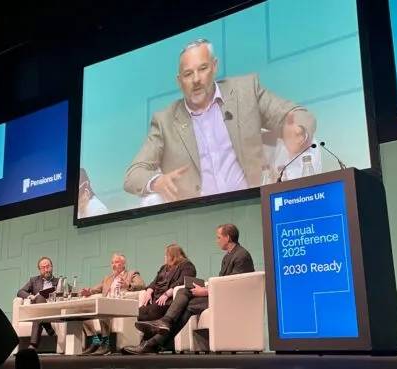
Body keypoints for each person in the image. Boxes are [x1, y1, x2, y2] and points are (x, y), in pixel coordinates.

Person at [124, 38, 316, 202]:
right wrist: (157, 182)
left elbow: (296, 114)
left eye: (203, 68)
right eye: (188, 74)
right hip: (201, 218)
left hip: (253, 204)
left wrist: (298, 131)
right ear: (179, 81)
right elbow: (133, 175)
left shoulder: (245, 92)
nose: (196, 79)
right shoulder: (164, 121)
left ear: (214, 67)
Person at [123, 224, 255, 354]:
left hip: (230, 300)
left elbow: (233, 285)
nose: (217, 240)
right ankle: (154, 342)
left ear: (227, 237)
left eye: (218, 237)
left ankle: (159, 332)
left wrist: (206, 291)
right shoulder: (229, 255)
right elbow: (223, 281)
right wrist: (205, 287)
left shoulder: (241, 255)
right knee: (186, 302)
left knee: (184, 295)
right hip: (220, 295)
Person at [78, 253, 145, 355]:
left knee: (104, 309)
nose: (114, 265)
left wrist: (128, 285)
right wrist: (89, 291)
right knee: (84, 312)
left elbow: (142, 285)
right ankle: (95, 341)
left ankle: (106, 344)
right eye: (112, 262)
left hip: (121, 305)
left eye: (117, 262)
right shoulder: (108, 278)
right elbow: (97, 288)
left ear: (123, 264)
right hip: (108, 304)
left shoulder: (132, 274)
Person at [137, 244, 197, 344]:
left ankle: (149, 341)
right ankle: (148, 340)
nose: (164, 257)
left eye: (166, 255)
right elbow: (154, 281)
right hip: (156, 298)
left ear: (173, 255)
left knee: (153, 311)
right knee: (140, 312)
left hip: (170, 299)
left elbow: (185, 281)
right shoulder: (163, 268)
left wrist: (167, 293)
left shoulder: (186, 265)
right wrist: (149, 290)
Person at [17, 256, 59, 350]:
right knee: (39, 298)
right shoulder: (34, 280)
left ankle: (34, 345)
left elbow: (69, 291)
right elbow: (20, 292)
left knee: (37, 314)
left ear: (52, 267)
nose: (46, 269)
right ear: (39, 270)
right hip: (38, 309)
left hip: (53, 310)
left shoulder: (58, 281)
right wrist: (30, 296)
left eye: (48, 266)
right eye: (43, 268)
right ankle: (48, 328)